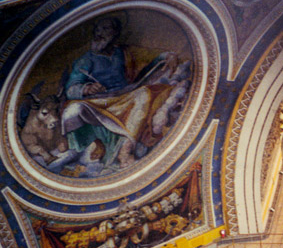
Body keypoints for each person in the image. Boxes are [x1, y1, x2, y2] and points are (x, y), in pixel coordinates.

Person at [58, 17, 191, 176]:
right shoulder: (85, 60)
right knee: (72, 110)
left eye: (106, 29)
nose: (100, 34)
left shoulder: (123, 52)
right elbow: (71, 88)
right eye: (98, 30)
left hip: (127, 95)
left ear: (115, 34)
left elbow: (150, 58)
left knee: (143, 94)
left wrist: (166, 56)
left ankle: (126, 150)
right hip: (100, 102)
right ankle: (84, 148)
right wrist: (87, 88)